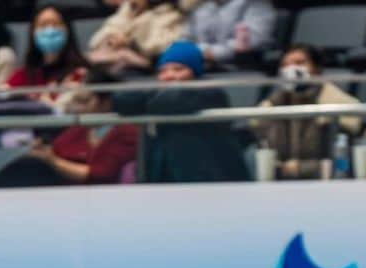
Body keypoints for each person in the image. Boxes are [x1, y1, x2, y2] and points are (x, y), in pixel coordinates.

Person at [112, 40, 250, 183]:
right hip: (163, 183)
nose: (169, 75)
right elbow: (121, 102)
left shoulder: (210, 92)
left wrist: (145, 102)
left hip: (212, 184)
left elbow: (174, 100)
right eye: (163, 71)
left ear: (195, 72)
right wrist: (151, 98)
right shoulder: (156, 96)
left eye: (178, 69)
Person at [0, 68, 138, 185]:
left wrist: (52, 161)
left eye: (84, 102)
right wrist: (42, 151)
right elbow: (55, 151)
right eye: (77, 102)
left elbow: (100, 175)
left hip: (90, 195)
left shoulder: (125, 132)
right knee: (30, 163)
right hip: (56, 190)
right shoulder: (79, 129)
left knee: (33, 166)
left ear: (106, 103)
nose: (79, 109)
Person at [252, 44, 360, 180]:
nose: (291, 69)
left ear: (317, 69)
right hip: (282, 183)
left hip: (326, 182)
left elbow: (342, 164)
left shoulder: (338, 103)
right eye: (285, 65)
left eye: (300, 63)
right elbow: (257, 126)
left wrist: (299, 168)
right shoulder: (274, 104)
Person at [4, 4, 87, 101]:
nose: (50, 30)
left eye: (56, 24)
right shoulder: (22, 75)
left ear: (67, 30)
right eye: (43, 25)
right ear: (33, 33)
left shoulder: (81, 74)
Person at [87, 0, 187, 76]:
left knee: (122, 57)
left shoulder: (171, 15)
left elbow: (155, 47)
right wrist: (112, 37)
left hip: (150, 64)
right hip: (116, 59)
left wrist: (128, 41)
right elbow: (97, 39)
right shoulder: (127, 9)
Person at [185, 0, 275, 71]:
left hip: (241, 70)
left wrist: (212, 53)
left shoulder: (255, 3)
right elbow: (186, 37)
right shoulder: (200, 7)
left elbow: (255, 39)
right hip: (200, 69)